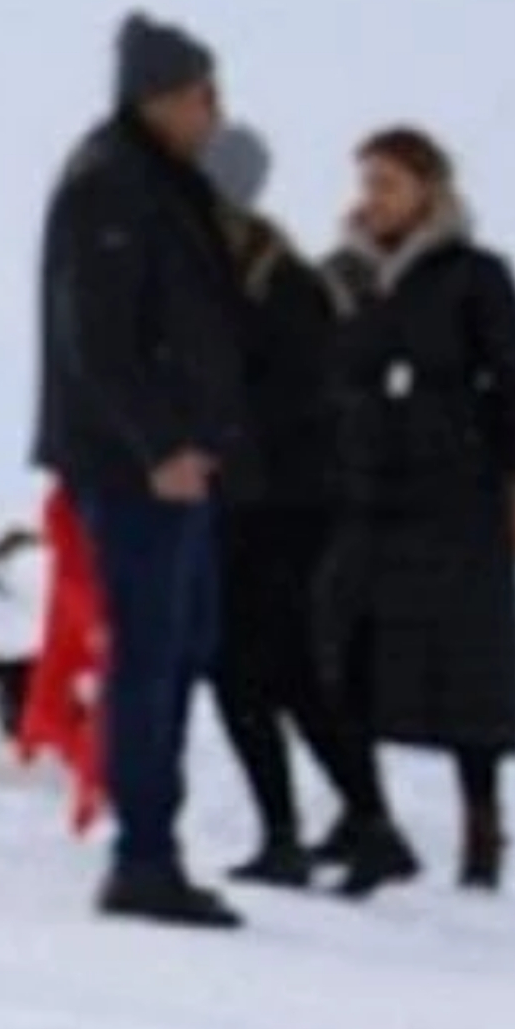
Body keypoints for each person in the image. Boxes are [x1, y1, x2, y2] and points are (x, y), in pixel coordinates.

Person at [33, 12, 249, 926]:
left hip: (176, 466)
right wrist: (157, 445)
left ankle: (155, 842)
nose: (216, 112)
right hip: (134, 471)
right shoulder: (113, 186)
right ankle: (144, 853)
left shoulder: (161, 182)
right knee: (151, 653)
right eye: (205, 94)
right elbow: (101, 339)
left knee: (183, 644)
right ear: (164, 96)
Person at [318, 124, 515, 892]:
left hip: (456, 490)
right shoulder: (338, 278)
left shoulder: (475, 276)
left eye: (388, 182)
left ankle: (482, 832)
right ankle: (366, 819)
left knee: (468, 664)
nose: (372, 198)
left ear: (429, 188)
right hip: (356, 487)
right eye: (365, 182)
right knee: (338, 647)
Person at [196, 122, 404, 889]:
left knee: (253, 667)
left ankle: (311, 830)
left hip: (272, 500)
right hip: (283, 496)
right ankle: (351, 822)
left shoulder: (257, 278)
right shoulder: (267, 268)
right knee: (277, 668)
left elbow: (274, 394)